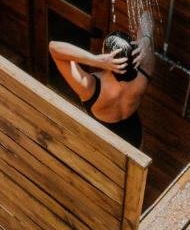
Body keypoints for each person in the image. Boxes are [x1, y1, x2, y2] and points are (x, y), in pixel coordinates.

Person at [49, 12, 155, 148]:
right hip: (135, 138)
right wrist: (146, 39)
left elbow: (54, 48)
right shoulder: (145, 70)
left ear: (107, 57)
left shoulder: (90, 87)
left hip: (104, 146)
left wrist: (96, 60)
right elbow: (147, 15)